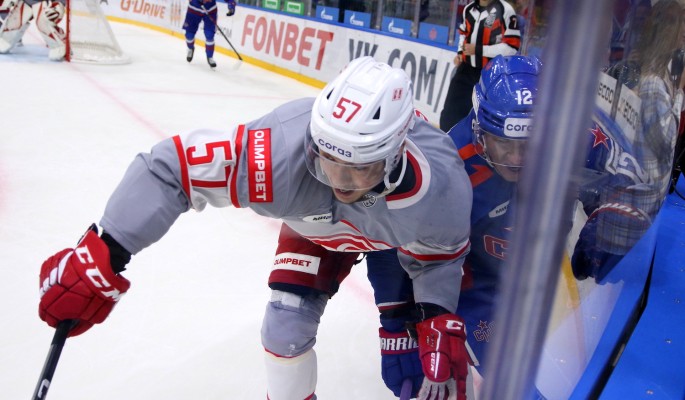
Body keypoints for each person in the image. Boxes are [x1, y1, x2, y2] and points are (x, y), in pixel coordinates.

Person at [37, 56, 474, 399]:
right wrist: (106, 248)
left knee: (406, 356)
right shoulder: (279, 153)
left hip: (392, 239)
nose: (338, 182)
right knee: (284, 328)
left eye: (357, 167)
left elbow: (438, 258)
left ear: (395, 154)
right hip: (317, 230)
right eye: (327, 159)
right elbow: (172, 169)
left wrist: (434, 314)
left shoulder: (442, 188)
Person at [365, 54, 541, 398]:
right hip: (471, 290)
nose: (517, 158)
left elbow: (620, 167)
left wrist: (611, 207)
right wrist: (398, 325)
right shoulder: (447, 171)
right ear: (480, 131)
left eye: (529, 145)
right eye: (505, 143)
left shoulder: (570, 140)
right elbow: (393, 241)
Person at [572, 0, 685, 282]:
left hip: (633, 215)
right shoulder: (654, 85)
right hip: (627, 218)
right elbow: (656, 164)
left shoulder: (665, 80)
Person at [439, 0, 521, 132]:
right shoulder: (468, 9)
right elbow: (463, 34)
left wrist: (478, 50)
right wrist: (460, 53)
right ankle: (447, 140)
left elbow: (512, 47)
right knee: (450, 114)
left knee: (484, 118)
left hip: (491, 74)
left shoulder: (505, 10)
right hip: (466, 69)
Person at [0, 0, 66, 60]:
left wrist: (60, 3)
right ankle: (7, 36)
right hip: (26, 2)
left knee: (45, 19)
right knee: (5, 41)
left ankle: (60, 43)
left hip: (47, 3)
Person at [182, 0, 235, 68]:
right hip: (194, 9)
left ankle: (210, 57)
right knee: (189, 35)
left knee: (209, 34)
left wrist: (231, 5)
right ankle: (190, 48)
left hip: (210, 10)